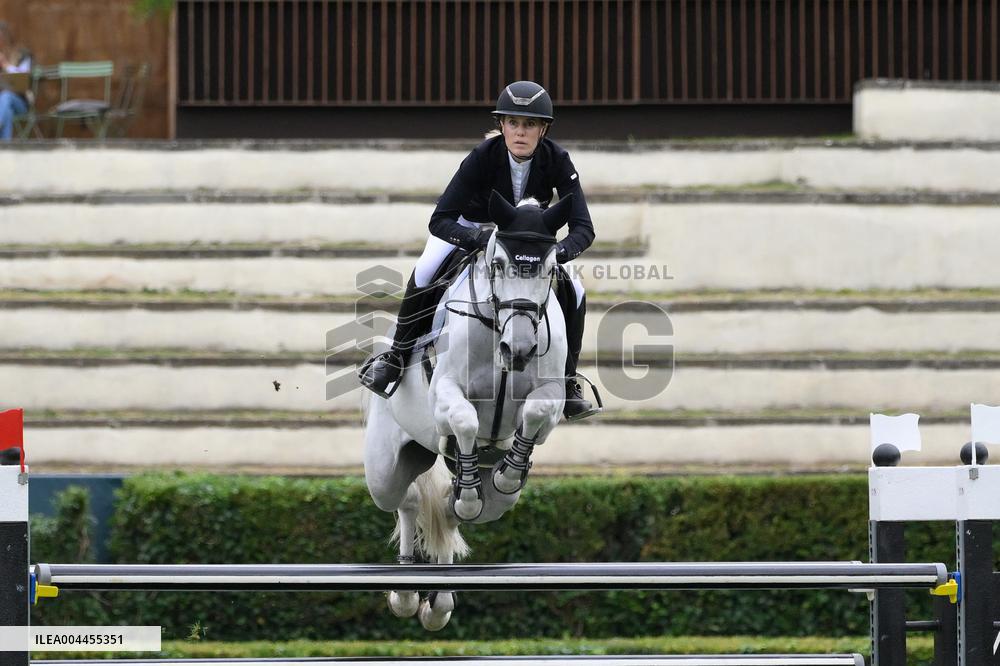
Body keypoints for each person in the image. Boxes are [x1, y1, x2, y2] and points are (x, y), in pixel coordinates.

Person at [359, 80, 598, 421]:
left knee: (575, 289)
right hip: (471, 229)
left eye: (529, 124)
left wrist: (555, 254)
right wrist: (477, 240)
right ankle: (395, 357)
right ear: (501, 125)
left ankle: (568, 380)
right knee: (427, 269)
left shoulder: (558, 159)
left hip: (531, 244)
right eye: (513, 123)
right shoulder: (482, 156)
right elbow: (439, 219)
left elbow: (583, 228)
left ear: (543, 128)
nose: (520, 132)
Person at [0, 22, 31, 141]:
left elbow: (23, 76)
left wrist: (5, 65)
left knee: (6, 96)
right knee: (6, 110)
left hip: (20, 103)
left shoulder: (22, 55)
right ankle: (4, 147)